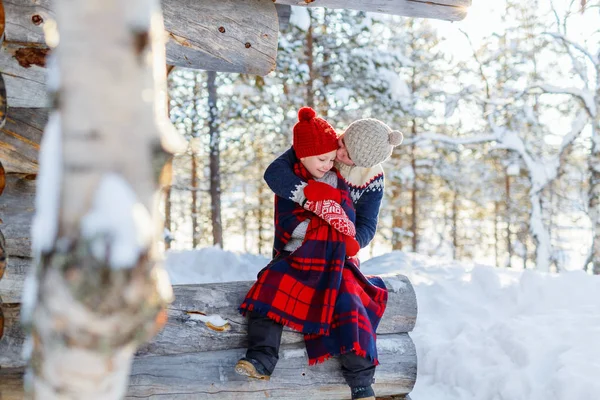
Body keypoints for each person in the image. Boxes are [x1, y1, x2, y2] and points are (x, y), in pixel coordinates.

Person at [236, 108, 390, 400]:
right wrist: (308, 196)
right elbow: (274, 174)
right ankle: (261, 358)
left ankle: (361, 383)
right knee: (271, 288)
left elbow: (367, 223)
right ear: (342, 136)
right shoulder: (319, 142)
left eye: (351, 161)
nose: (341, 160)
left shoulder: (371, 177)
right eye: (343, 152)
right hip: (296, 246)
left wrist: (351, 241)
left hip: (340, 252)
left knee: (347, 301)